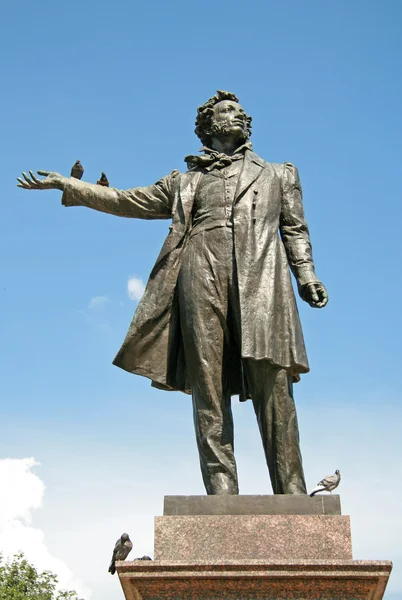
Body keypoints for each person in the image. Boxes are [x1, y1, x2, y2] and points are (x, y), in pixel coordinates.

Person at [18, 90, 328, 495]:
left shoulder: (279, 174)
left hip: (261, 278)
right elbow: (128, 200)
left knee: (273, 381)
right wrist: (72, 187)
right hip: (198, 271)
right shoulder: (185, 181)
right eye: (226, 111)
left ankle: (292, 491)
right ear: (207, 126)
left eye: (239, 111)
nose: (236, 115)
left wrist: (305, 274)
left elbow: (294, 228)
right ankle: (221, 492)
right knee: (207, 382)